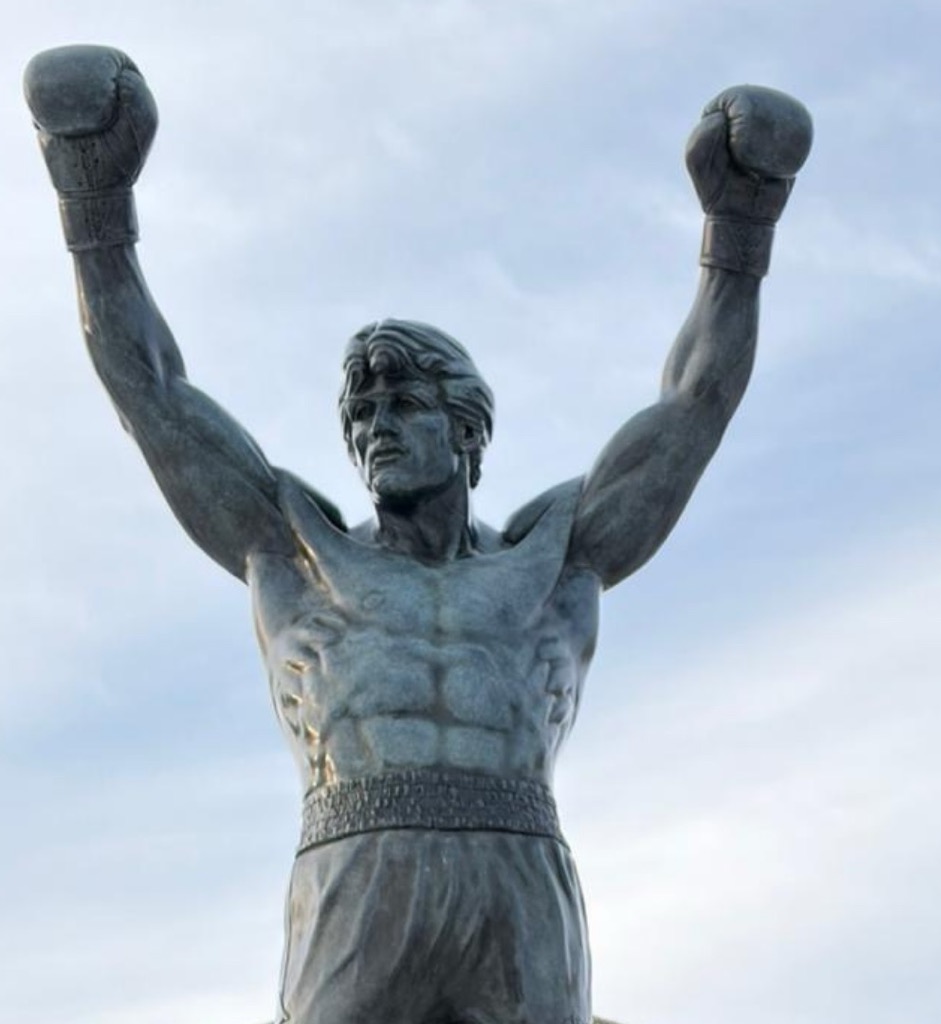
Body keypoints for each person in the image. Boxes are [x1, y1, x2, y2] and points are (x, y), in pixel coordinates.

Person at [25, 44, 812, 1024]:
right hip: (358, 869)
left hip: (516, 875)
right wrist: (95, 214)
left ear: (467, 427)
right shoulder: (297, 548)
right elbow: (151, 392)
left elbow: (691, 407)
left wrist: (737, 235)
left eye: (400, 401)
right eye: (359, 412)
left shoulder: (554, 554)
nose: (373, 427)